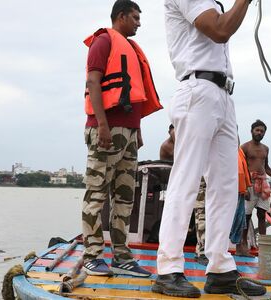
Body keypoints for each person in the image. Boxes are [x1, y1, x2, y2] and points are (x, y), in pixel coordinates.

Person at [154, 0, 266, 297]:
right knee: (186, 179)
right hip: (198, 89)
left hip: (221, 94)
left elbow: (222, 25)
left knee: (226, 185)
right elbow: (220, 30)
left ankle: (220, 267)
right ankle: (167, 269)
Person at [80, 0, 161, 278]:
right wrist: (102, 125)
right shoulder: (103, 41)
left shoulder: (133, 50)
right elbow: (93, 82)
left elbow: (133, 95)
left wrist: (137, 130)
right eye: (135, 17)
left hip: (128, 133)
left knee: (125, 197)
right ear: (121, 16)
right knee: (97, 193)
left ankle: (121, 255)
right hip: (106, 130)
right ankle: (92, 254)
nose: (139, 22)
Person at [159, 124, 209, 266]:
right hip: (180, 184)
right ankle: (171, 250)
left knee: (202, 214)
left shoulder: (192, 141)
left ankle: (202, 250)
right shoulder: (166, 147)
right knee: (177, 216)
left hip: (198, 180)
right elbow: (165, 170)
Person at [241, 119, 271, 252]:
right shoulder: (245, 147)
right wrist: (244, 188)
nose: (259, 133)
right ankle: (244, 242)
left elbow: (266, 167)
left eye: (262, 131)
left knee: (262, 214)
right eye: (257, 130)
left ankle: (264, 244)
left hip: (263, 183)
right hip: (249, 183)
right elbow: (241, 168)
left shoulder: (265, 148)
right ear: (252, 131)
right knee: (247, 215)